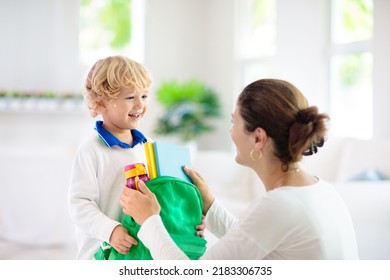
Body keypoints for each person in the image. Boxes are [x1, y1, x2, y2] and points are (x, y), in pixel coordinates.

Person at [120, 78, 359, 260]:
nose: (231, 131)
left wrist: (150, 219)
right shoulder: (321, 190)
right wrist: (210, 206)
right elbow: (256, 239)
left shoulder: (278, 205)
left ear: (258, 138)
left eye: (234, 122)